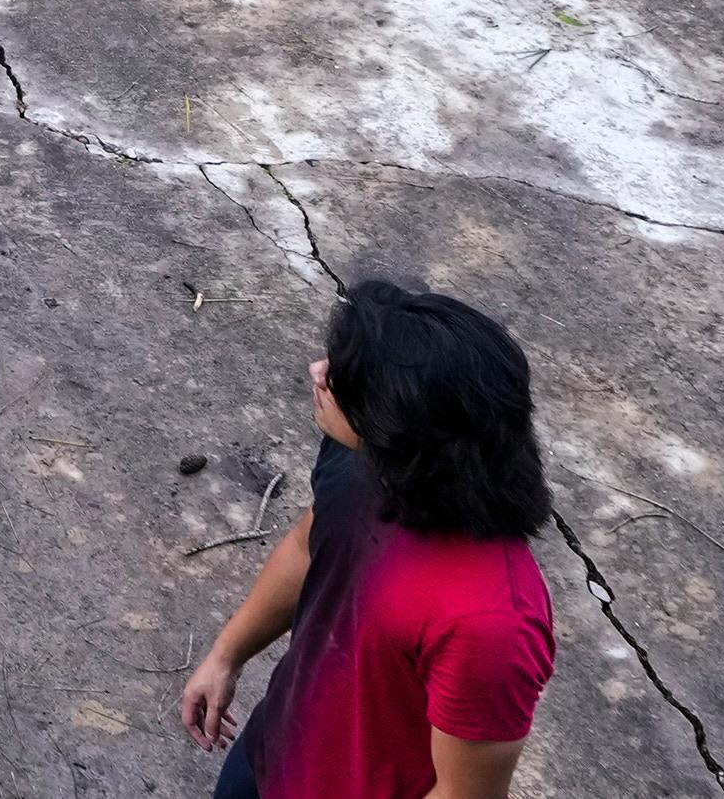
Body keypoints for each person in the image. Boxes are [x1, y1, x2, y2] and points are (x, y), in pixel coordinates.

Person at [178, 280, 558, 796]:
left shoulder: (490, 626)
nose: (318, 371)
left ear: (396, 429)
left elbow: (462, 793)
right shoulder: (362, 462)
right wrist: (226, 655)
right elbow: (308, 548)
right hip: (270, 755)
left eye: (342, 377)